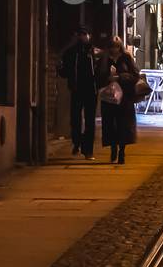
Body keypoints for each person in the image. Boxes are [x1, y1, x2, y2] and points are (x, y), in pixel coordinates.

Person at [96, 36, 139, 165]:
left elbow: (135, 75)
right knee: (110, 124)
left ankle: (122, 151)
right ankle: (113, 148)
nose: (114, 50)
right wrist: (107, 78)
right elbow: (98, 76)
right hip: (109, 97)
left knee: (123, 125)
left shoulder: (126, 58)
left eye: (116, 47)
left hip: (124, 97)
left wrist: (120, 77)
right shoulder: (104, 59)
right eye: (112, 47)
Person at [57, 27, 98, 159]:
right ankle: (77, 142)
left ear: (89, 36)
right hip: (77, 89)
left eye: (84, 34)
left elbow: (100, 68)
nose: (82, 37)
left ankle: (88, 150)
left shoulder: (94, 52)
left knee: (90, 120)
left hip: (91, 89)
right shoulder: (71, 52)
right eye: (80, 35)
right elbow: (64, 71)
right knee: (75, 119)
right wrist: (59, 69)